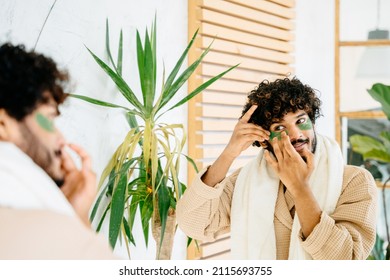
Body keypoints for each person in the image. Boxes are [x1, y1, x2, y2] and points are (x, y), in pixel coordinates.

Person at [177, 77, 377, 260]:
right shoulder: (245, 183)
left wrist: (300, 188)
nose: (296, 135)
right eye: (279, 128)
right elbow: (193, 224)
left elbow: (347, 260)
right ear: (264, 140)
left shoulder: (354, 181)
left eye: (300, 121)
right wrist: (230, 152)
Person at [0, 43, 117, 259]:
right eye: (49, 119)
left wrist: (73, 214)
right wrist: (78, 224)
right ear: (3, 124)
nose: (61, 139)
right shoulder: (48, 236)